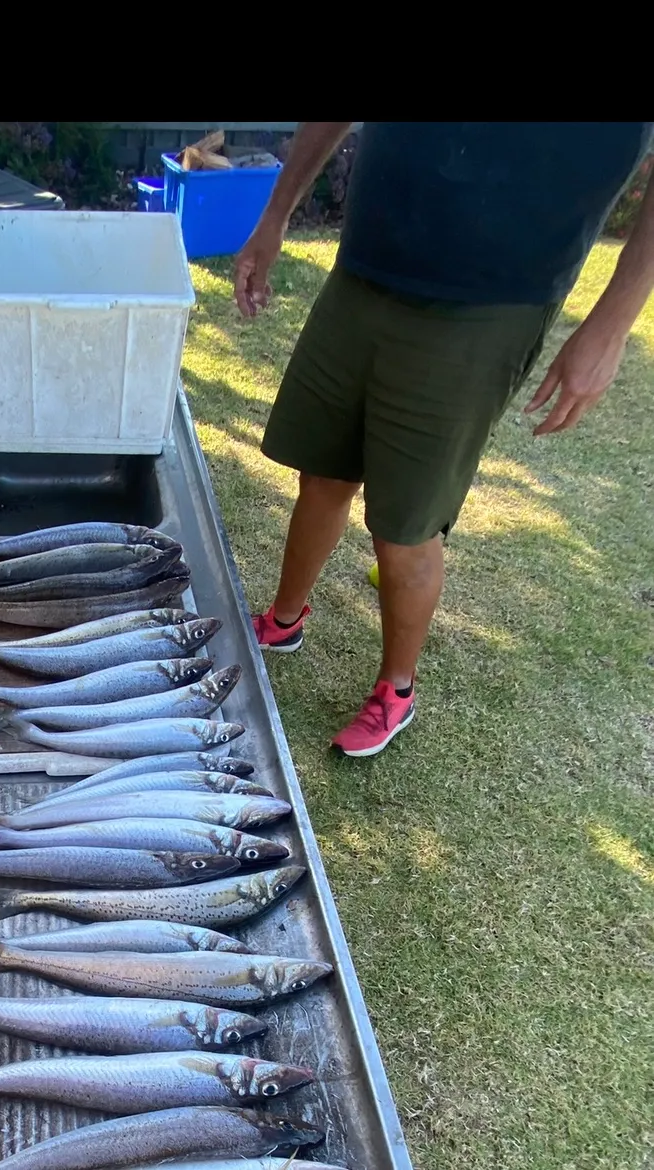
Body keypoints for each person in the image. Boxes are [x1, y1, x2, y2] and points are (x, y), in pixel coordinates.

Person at [234, 121, 654, 757]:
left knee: (404, 526)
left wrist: (612, 324)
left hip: (490, 298)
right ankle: (284, 621)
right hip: (367, 265)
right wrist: (275, 214)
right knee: (323, 472)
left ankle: (396, 690)